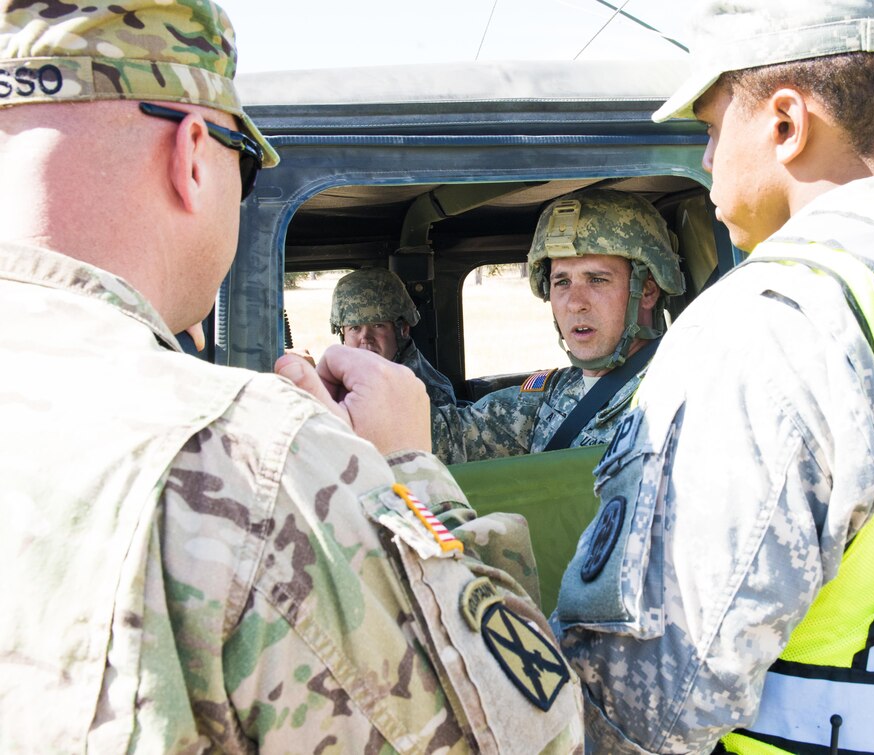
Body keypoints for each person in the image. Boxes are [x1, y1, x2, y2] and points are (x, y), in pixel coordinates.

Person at [0, 2, 582, 752]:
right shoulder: (258, 462)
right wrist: (408, 472)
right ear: (193, 154)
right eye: (246, 166)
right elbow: (531, 732)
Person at [552, 1, 874, 752]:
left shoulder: (774, 319)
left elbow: (644, 705)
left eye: (711, 129)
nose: (706, 160)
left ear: (785, 123)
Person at [431, 188, 685, 464]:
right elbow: (452, 437)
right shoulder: (556, 391)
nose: (575, 303)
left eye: (597, 279)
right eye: (562, 282)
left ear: (647, 291)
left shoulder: (674, 397)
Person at [329, 266, 458, 407]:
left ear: (402, 329)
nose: (365, 337)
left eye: (377, 325)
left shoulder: (427, 393)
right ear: (343, 334)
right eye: (354, 328)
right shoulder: (348, 376)